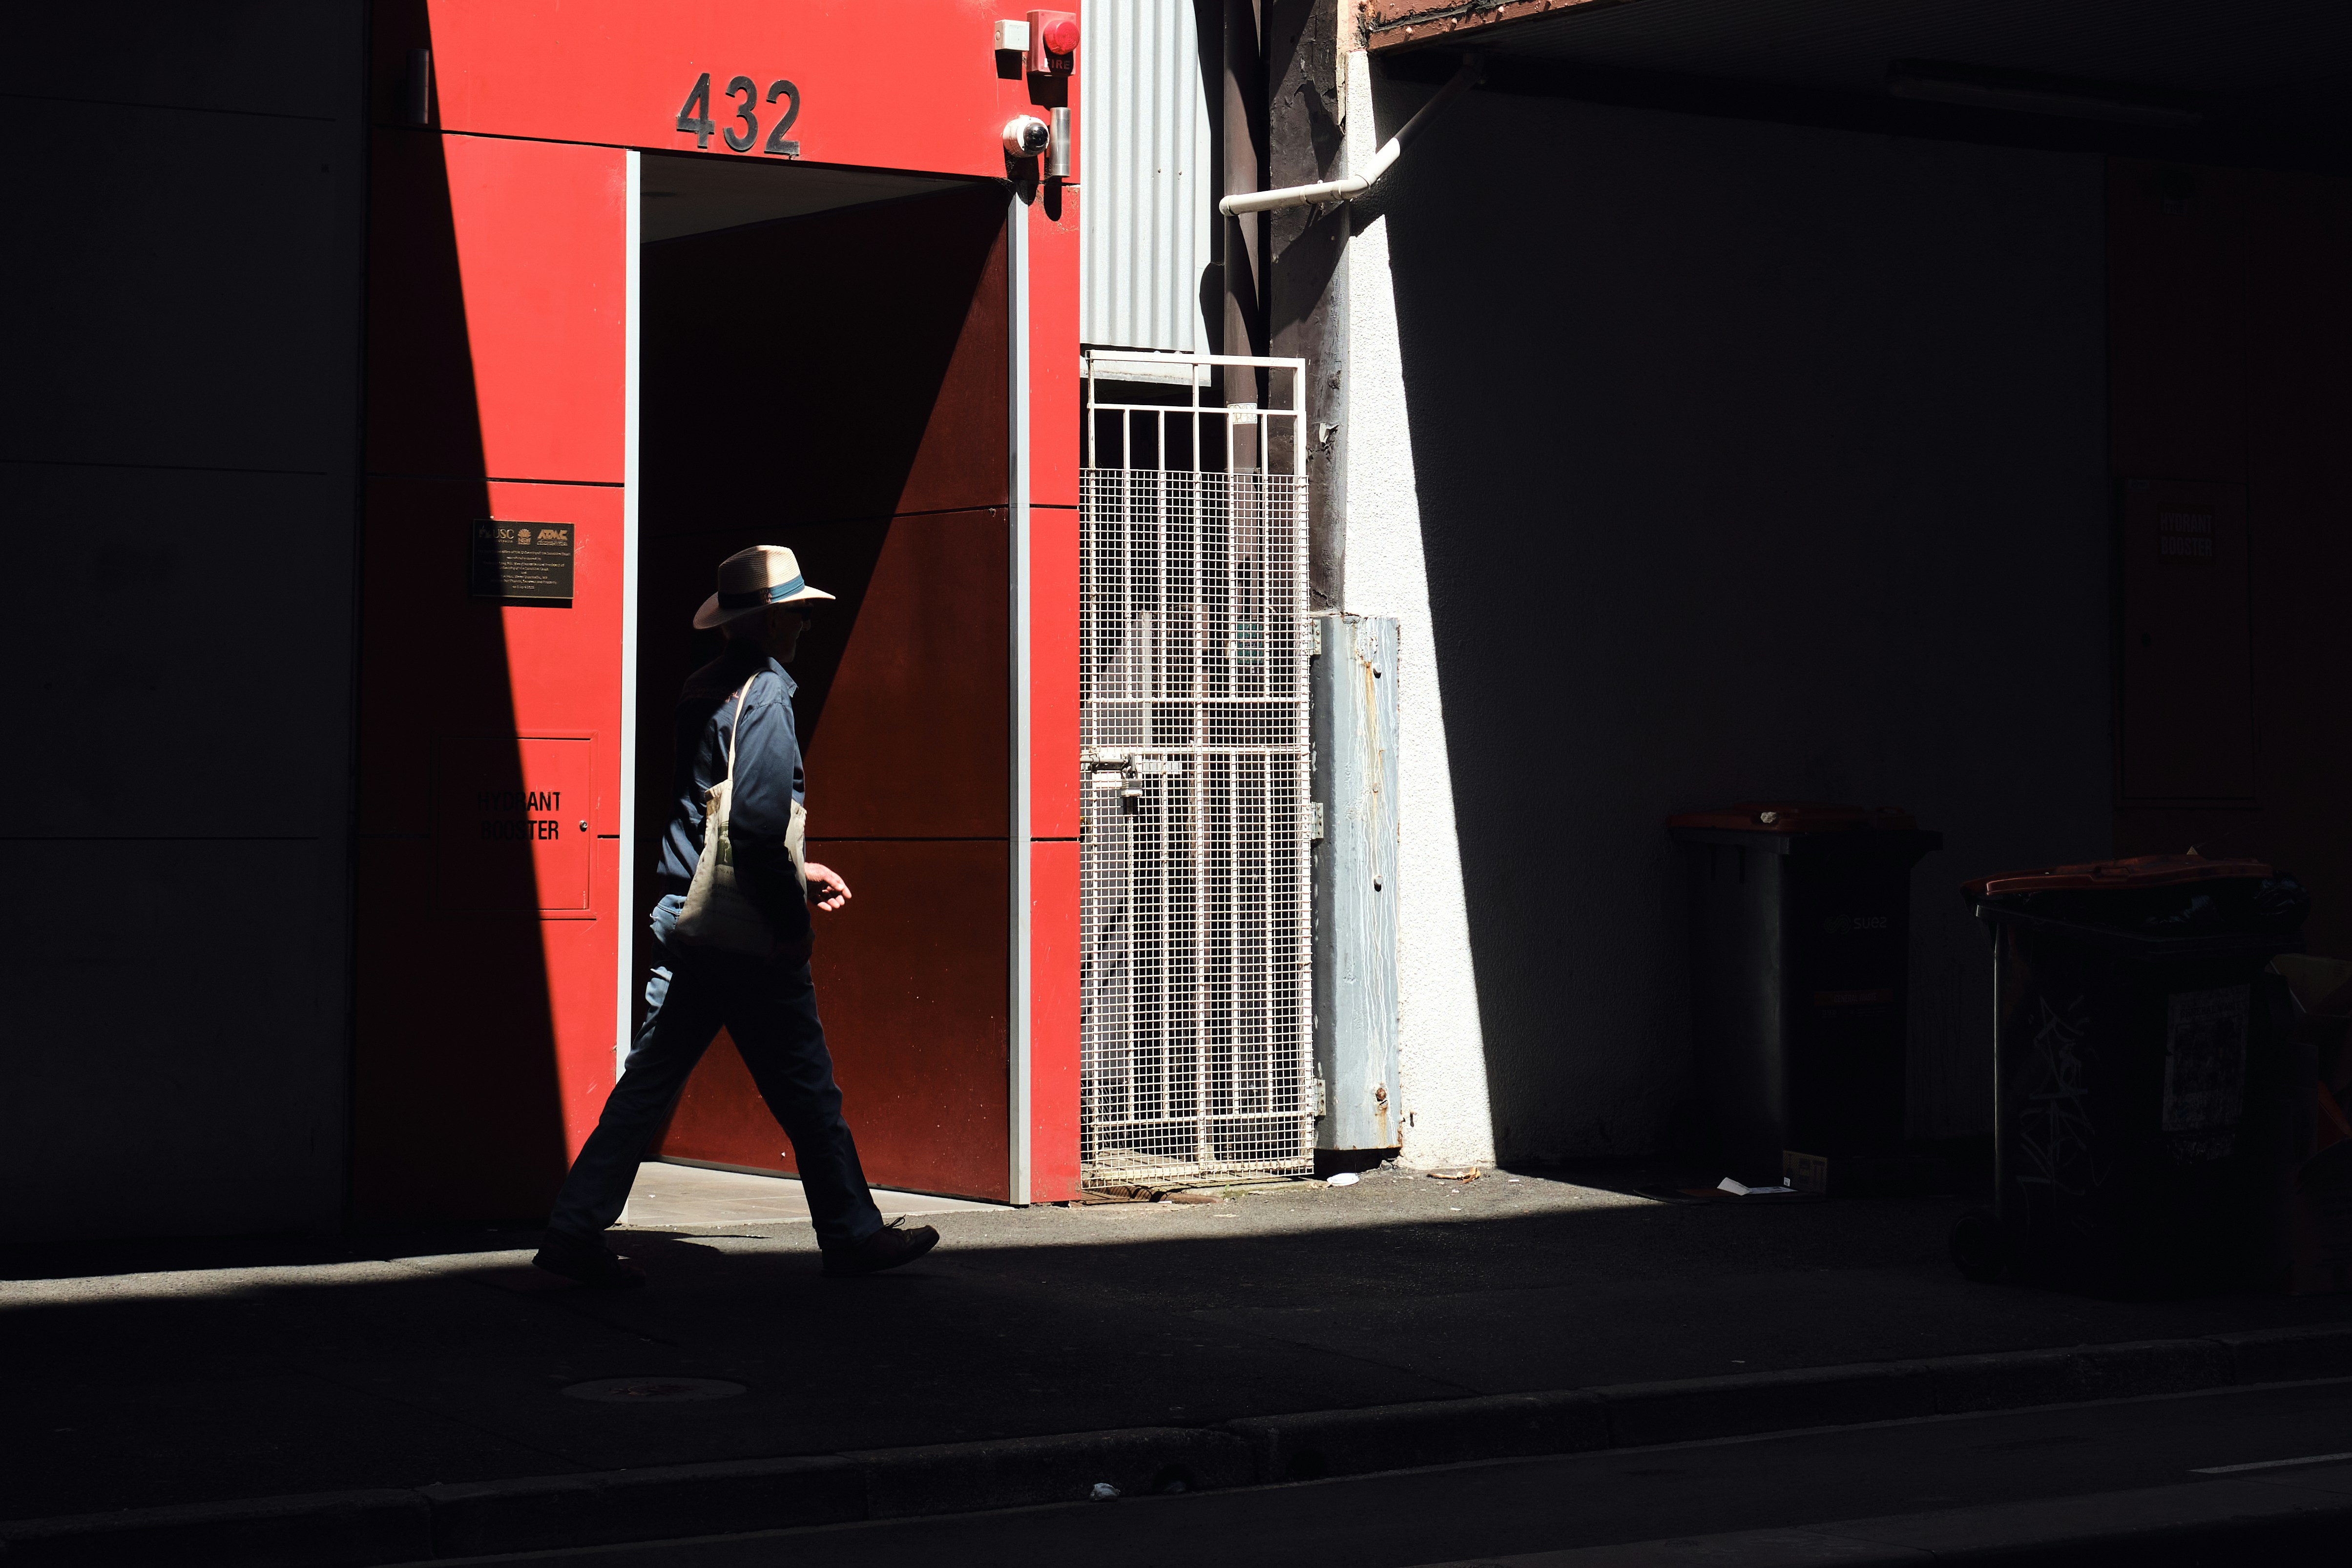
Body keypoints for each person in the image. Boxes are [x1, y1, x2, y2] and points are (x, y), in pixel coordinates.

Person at [534, 545, 939, 1286]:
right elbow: (753, 827)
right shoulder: (770, 695)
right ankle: (851, 1233)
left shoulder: (702, 687)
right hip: (743, 931)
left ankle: (572, 1229)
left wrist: (798, 868)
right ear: (777, 620)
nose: (805, 630)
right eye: (798, 617)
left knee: (648, 1083)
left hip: (683, 914)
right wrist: (790, 921)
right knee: (806, 1086)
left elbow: (709, 818)